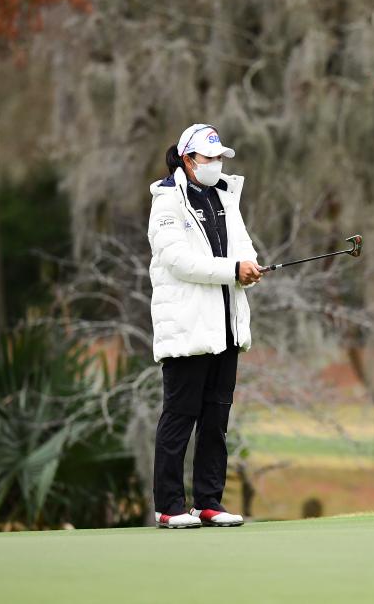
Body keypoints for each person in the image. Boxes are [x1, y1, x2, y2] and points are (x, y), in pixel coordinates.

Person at [147, 123, 265, 528]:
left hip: (226, 326)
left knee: (216, 418)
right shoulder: (166, 203)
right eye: (209, 158)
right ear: (187, 160)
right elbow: (179, 261)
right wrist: (233, 269)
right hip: (187, 327)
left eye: (219, 158)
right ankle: (169, 506)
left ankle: (208, 502)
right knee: (180, 416)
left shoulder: (224, 198)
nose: (216, 164)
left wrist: (247, 266)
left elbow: (243, 245)